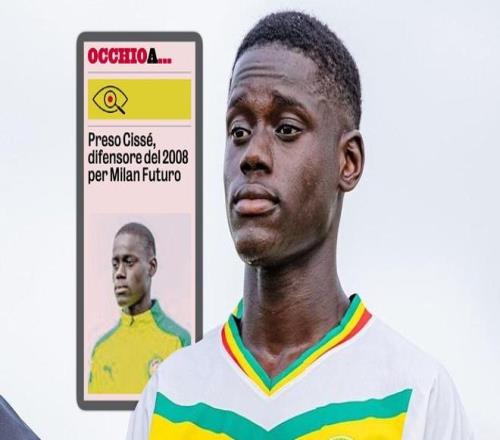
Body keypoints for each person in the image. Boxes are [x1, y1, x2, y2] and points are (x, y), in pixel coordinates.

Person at [127, 12, 473, 438]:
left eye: (286, 129)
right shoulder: (169, 398)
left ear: (348, 162)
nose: (252, 155)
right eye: (238, 131)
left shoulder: (416, 396)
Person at [88, 222, 190, 394]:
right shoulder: (101, 350)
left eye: (129, 262)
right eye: (115, 264)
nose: (119, 273)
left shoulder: (178, 341)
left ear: (152, 267)